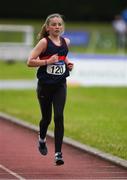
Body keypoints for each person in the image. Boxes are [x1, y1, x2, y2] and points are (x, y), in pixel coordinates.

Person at [27, 13, 74, 166]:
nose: (57, 27)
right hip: (45, 86)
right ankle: (41, 139)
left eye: (59, 24)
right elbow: (30, 62)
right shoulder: (44, 42)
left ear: (62, 27)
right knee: (46, 119)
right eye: (53, 24)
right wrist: (48, 61)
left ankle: (58, 154)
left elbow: (62, 56)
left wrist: (68, 63)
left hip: (60, 85)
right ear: (47, 28)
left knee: (59, 116)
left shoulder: (66, 41)